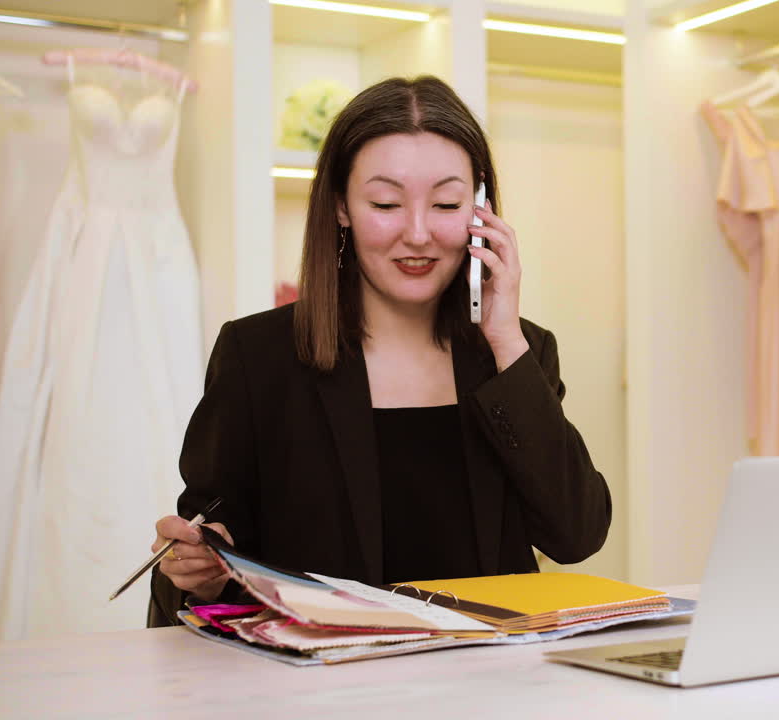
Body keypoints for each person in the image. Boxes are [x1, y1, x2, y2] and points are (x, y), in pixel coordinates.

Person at [147, 76, 611, 626]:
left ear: (480, 208)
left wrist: (505, 339)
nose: (417, 234)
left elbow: (577, 534)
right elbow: (211, 545)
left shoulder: (518, 352)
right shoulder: (258, 356)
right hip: (326, 692)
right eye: (387, 203)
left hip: (490, 686)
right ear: (341, 205)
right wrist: (203, 562)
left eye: (445, 203)